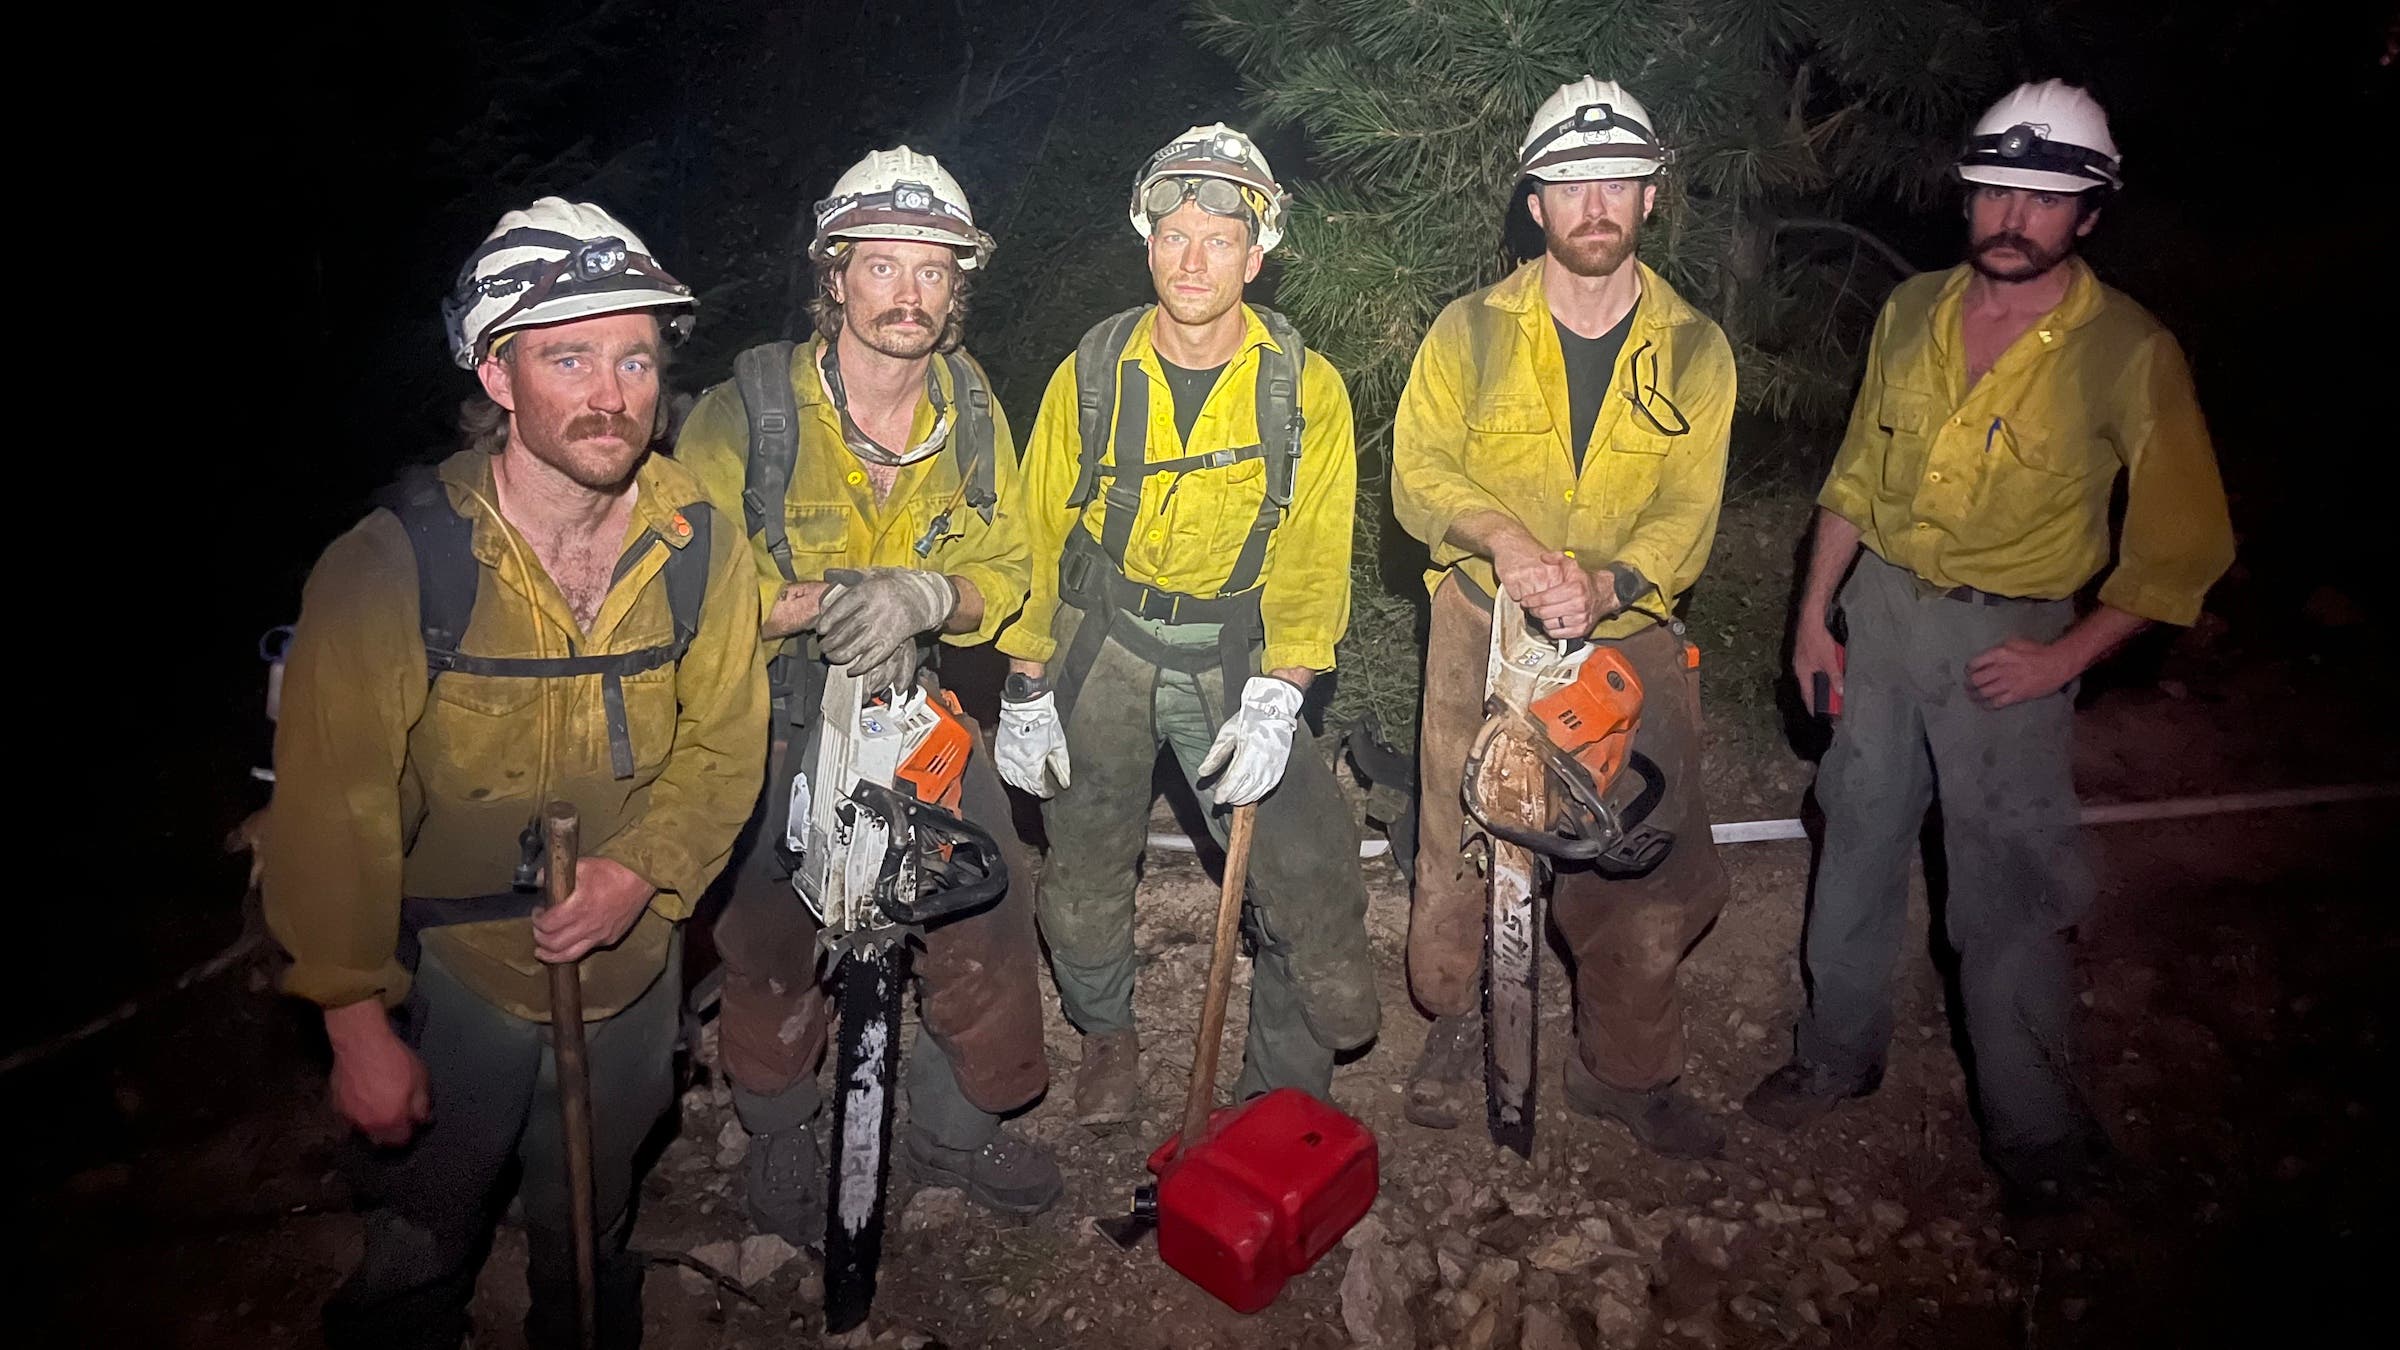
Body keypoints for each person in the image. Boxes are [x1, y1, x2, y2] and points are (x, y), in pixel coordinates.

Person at [262, 198, 768, 1349]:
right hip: (453, 976)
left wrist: (643, 870)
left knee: (593, 1223)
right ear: (498, 376)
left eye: (635, 355)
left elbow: (728, 739)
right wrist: (354, 1023)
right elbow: (336, 806)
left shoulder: (706, 547)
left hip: (630, 966)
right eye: (568, 355)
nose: (612, 391)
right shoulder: (394, 567)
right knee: (421, 1233)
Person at [1741, 81, 2235, 1207]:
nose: (2015, 216)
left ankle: (2038, 1137)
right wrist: (1816, 615)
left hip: (2007, 643)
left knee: (2006, 893)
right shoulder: (1913, 311)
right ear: (1967, 197)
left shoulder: (2128, 351)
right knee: (1856, 838)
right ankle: (1835, 1054)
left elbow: (2180, 550)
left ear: (2091, 215)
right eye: (1996, 191)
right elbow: (1857, 476)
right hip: (1883, 617)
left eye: (2046, 199)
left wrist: (2064, 658)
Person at [676, 146, 1059, 1240]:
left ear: (957, 288)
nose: (909, 293)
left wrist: (932, 590)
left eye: (933, 271)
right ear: (834, 276)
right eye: (882, 266)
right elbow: (681, 596)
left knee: (984, 892)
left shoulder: (970, 403)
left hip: (913, 697)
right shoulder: (750, 407)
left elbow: (1013, 564)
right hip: (771, 700)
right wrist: (824, 604)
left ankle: (955, 1128)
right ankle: (782, 1126)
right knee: (772, 927)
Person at [994, 123, 1378, 1121]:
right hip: (1105, 637)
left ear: (1258, 254)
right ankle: (1106, 1037)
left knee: (1299, 863)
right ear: (1146, 243)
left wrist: (1283, 693)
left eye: (1220, 236)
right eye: (1175, 234)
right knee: (1079, 864)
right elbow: (1035, 531)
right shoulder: (1092, 369)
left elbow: (1315, 554)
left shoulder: (1306, 388)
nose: (1193, 258)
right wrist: (1025, 683)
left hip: (1236, 647)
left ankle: (1282, 1095)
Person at [1393, 77, 1736, 1158]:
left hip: (1628, 637)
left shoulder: (1695, 348)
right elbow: (1416, 472)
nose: (1595, 202)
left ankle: (1629, 1070)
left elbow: (1690, 506)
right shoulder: (1468, 333)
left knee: (1635, 851)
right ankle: (1459, 1023)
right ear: (1533, 202)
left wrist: (1614, 583)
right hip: (1480, 624)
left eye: (1619, 181)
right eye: (1569, 182)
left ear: (1651, 197)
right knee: (1462, 835)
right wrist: (1502, 538)